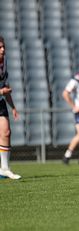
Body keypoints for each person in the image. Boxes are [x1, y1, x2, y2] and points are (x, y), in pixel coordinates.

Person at [0, 36, 21, 179]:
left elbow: (5, 87)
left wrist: (13, 107)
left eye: (3, 47)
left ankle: (5, 168)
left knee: (6, 132)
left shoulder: (4, 62)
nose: (2, 50)